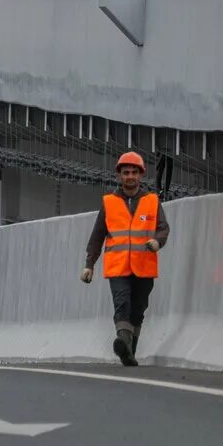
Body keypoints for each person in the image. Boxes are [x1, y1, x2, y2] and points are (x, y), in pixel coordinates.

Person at [80, 151, 169, 367]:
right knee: (122, 304)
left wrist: (158, 242)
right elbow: (97, 235)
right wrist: (89, 265)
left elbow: (163, 228)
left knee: (138, 309)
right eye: (126, 172)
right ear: (119, 176)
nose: (130, 176)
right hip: (118, 266)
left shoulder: (152, 201)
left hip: (144, 266)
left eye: (134, 172)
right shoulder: (109, 203)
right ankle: (123, 341)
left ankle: (129, 351)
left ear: (140, 176)